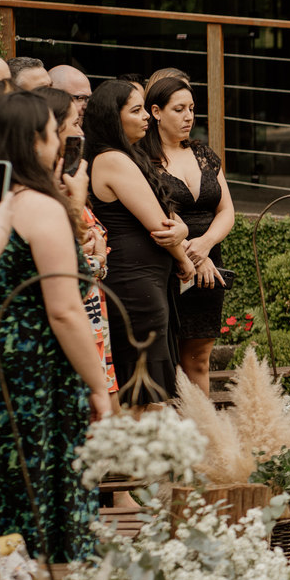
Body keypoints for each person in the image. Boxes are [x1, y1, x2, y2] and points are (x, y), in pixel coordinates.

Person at [0, 90, 111, 563]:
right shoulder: (38, 208)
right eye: (54, 133)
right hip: (36, 369)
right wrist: (98, 388)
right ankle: (50, 579)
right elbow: (65, 309)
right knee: (41, 477)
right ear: (35, 142)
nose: (62, 143)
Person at [84, 80, 193, 405]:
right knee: (144, 393)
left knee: (150, 387)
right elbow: (160, 226)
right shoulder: (112, 159)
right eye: (136, 110)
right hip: (134, 285)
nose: (146, 116)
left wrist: (183, 229)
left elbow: (169, 217)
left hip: (143, 281)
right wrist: (184, 259)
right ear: (113, 118)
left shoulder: (127, 155)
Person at [140, 78, 233, 394]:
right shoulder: (142, 160)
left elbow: (226, 211)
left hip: (209, 265)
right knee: (165, 361)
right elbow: (156, 214)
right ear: (156, 112)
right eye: (179, 109)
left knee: (199, 360)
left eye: (191, 109)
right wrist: (190, 254)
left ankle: (200, 424)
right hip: (169, 265)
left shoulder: (203, 153)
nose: (188, 117)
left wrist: (205, 245)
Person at [38, 86, 120, 405]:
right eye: (74, 124)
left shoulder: (67, 182)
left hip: (92, 315)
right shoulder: (45, 195)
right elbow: (66, 267)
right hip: (72, 321)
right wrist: (97, 260)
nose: (81, 132)